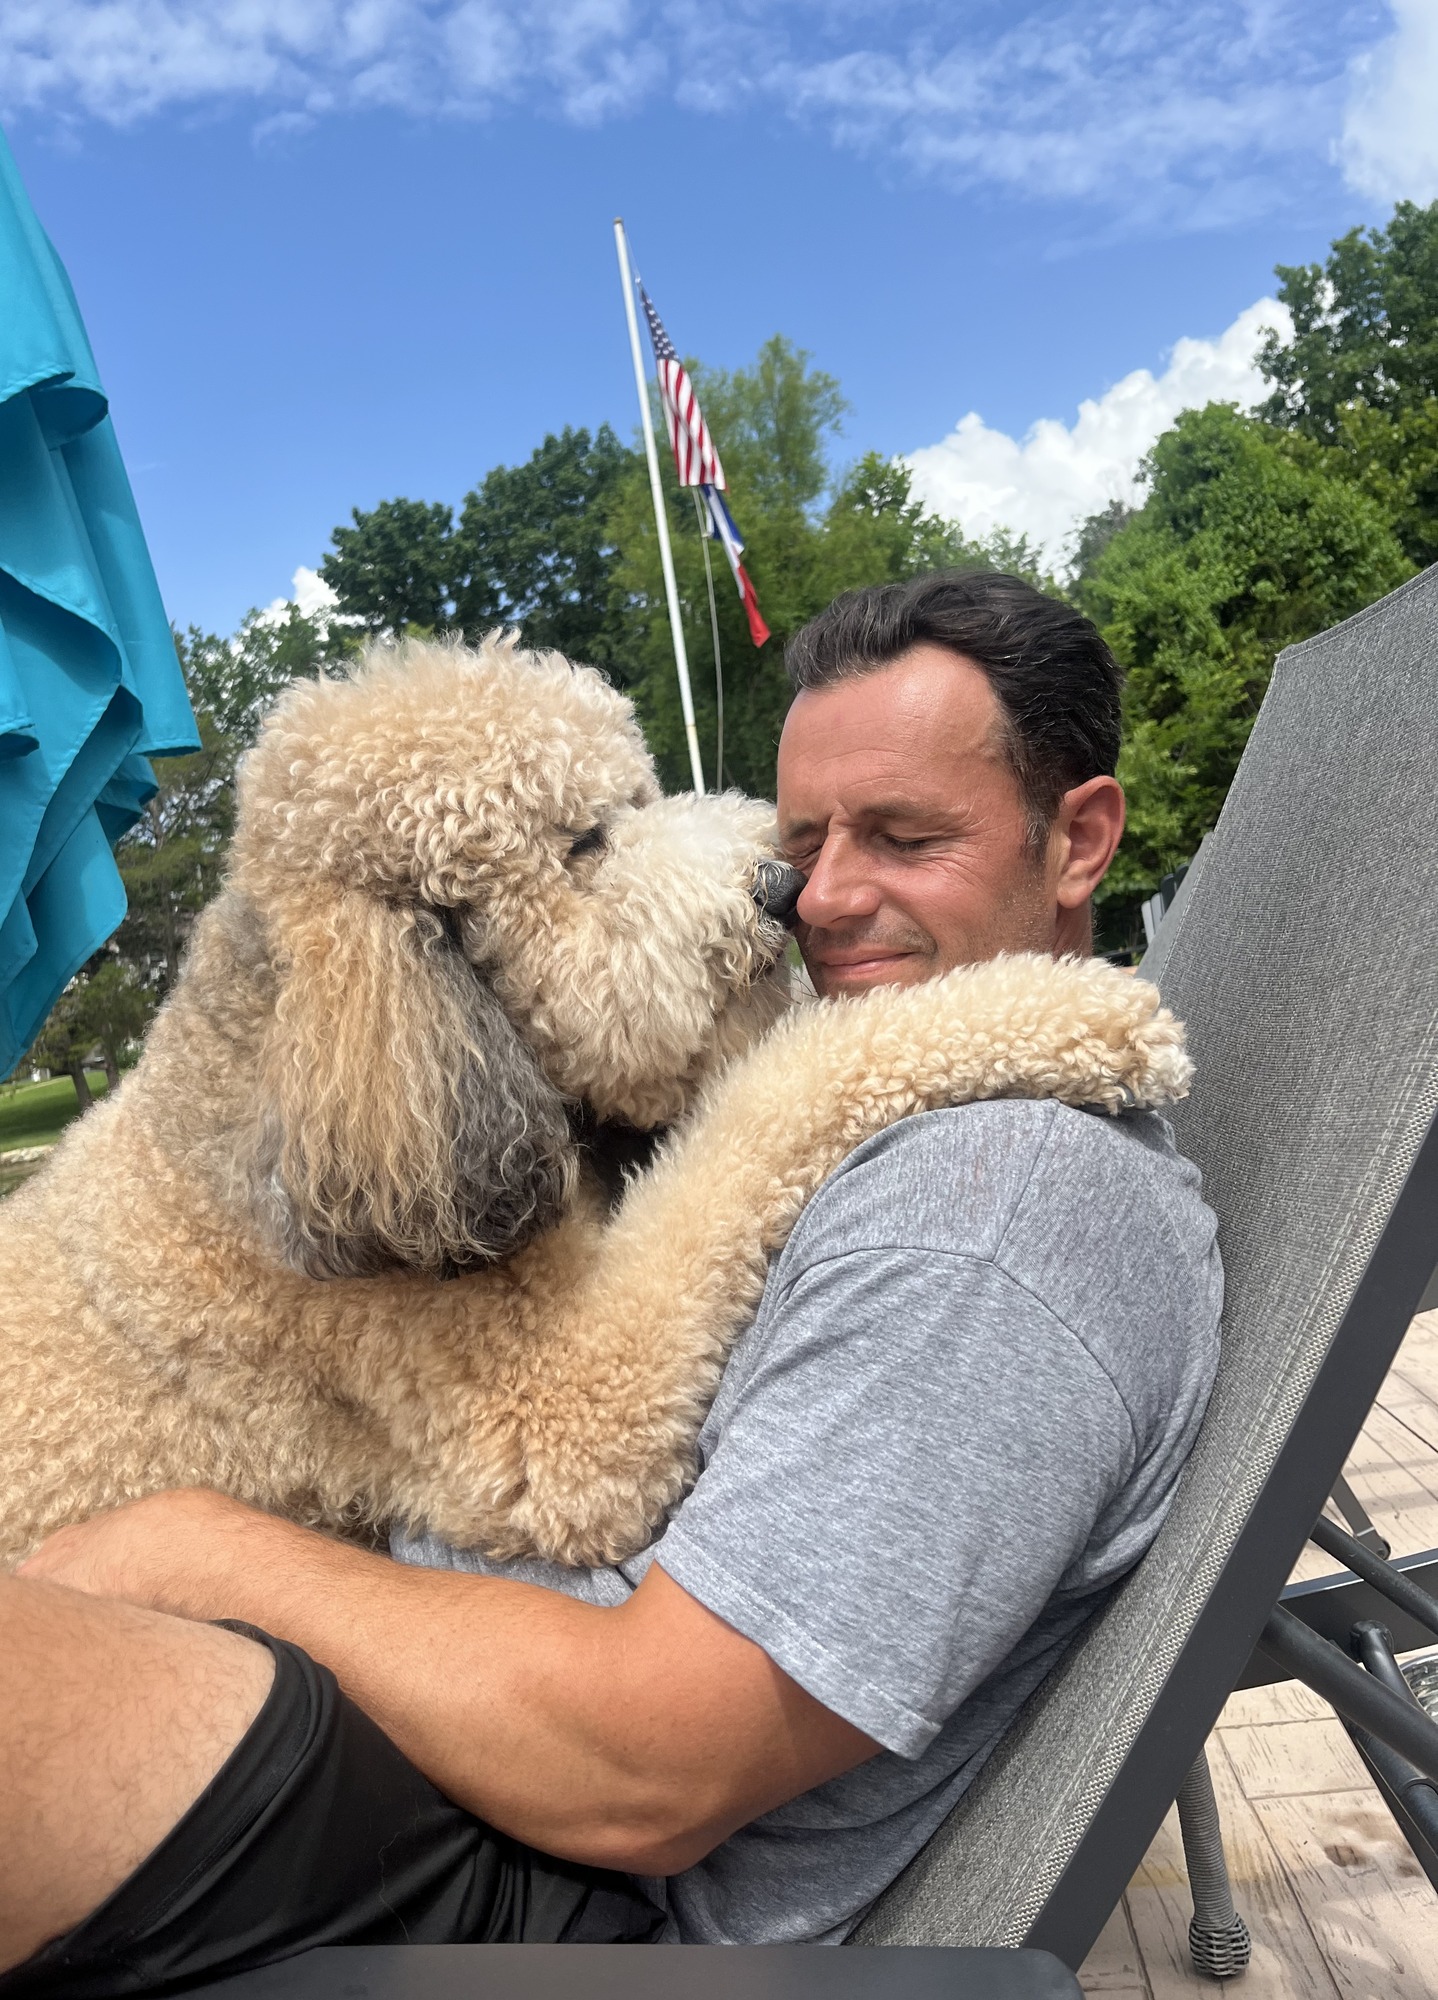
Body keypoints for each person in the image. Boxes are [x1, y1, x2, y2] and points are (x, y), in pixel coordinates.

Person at [0, 571, 1222, 1992]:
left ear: (1079, 840)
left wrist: (191, 1552)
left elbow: (647, 1773)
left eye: (905, 838)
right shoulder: (931, 1146)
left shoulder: (997, 1209)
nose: (812, 898)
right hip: (425, 1726)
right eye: (803, 839)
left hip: (554, 1888)